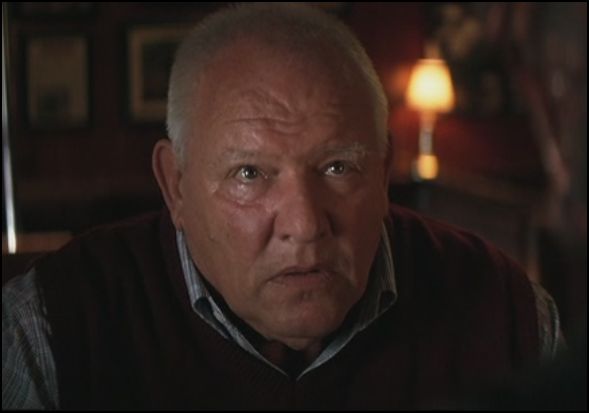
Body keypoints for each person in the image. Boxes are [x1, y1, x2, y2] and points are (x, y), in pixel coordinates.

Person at [2, 3, 562, 409]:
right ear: (175, 186)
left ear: (383, 172)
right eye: (249, 174)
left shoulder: (506, 315)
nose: (304, 225)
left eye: (338, 167)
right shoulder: (54, 327)